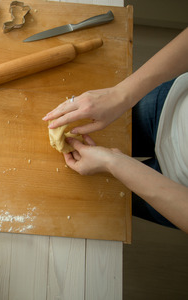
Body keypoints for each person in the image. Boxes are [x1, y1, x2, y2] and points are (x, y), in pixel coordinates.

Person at [43, 28, 188, 233]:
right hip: (173, 104)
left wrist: (113, 164)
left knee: (103, 203)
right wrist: (121, 94)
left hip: (173, 189)